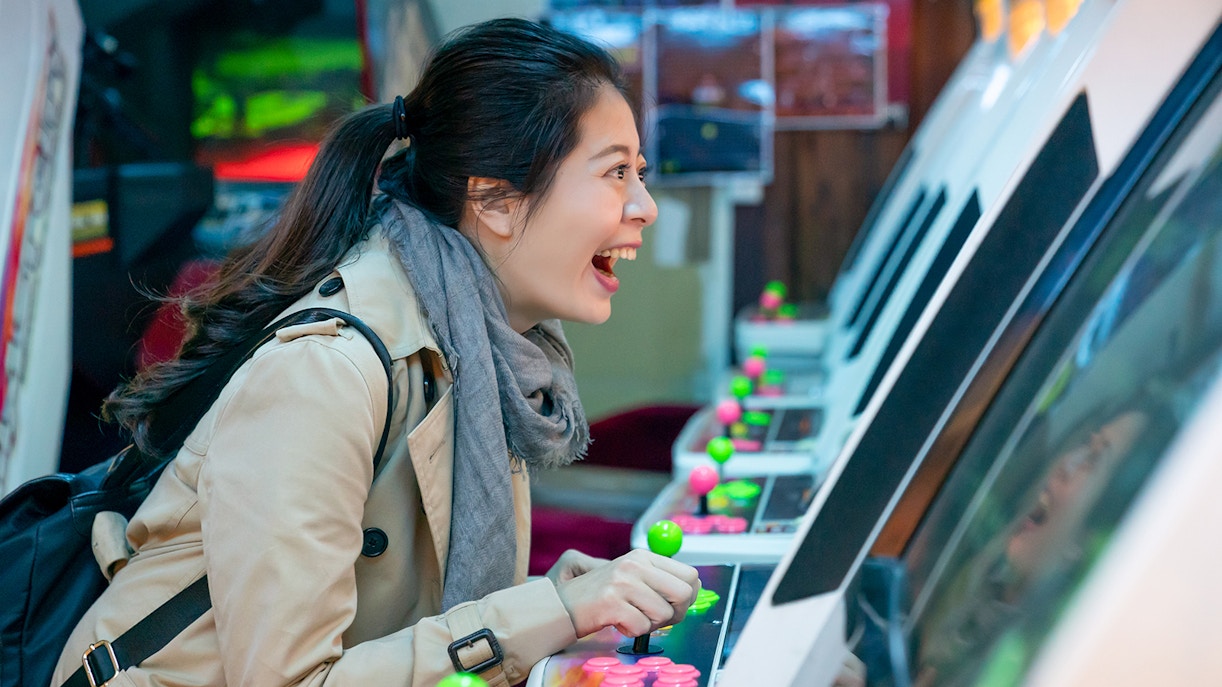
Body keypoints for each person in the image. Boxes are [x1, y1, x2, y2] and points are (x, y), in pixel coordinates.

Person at [52, 17, 700, 687]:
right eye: (615, 172)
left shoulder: (483, 351)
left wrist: (560, 605)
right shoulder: (323, 373)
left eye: (639, 173)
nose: (644, 206)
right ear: (496, 201)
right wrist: (547, 610)